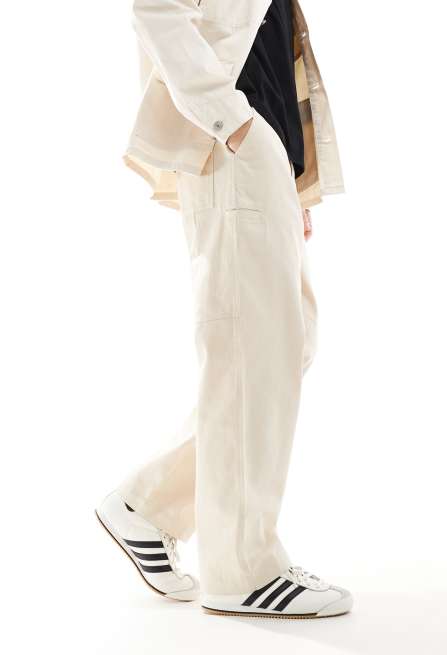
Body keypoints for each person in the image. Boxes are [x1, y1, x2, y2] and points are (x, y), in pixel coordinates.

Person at [96, 0, 352, 619]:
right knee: (250, 348)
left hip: (262, 152)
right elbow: (155, 9)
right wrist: (233, 122)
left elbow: (267, 40)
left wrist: (290, 176)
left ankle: (149, 507)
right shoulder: (233, 127)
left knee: (287, 342)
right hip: (231, 141)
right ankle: (242, 570)